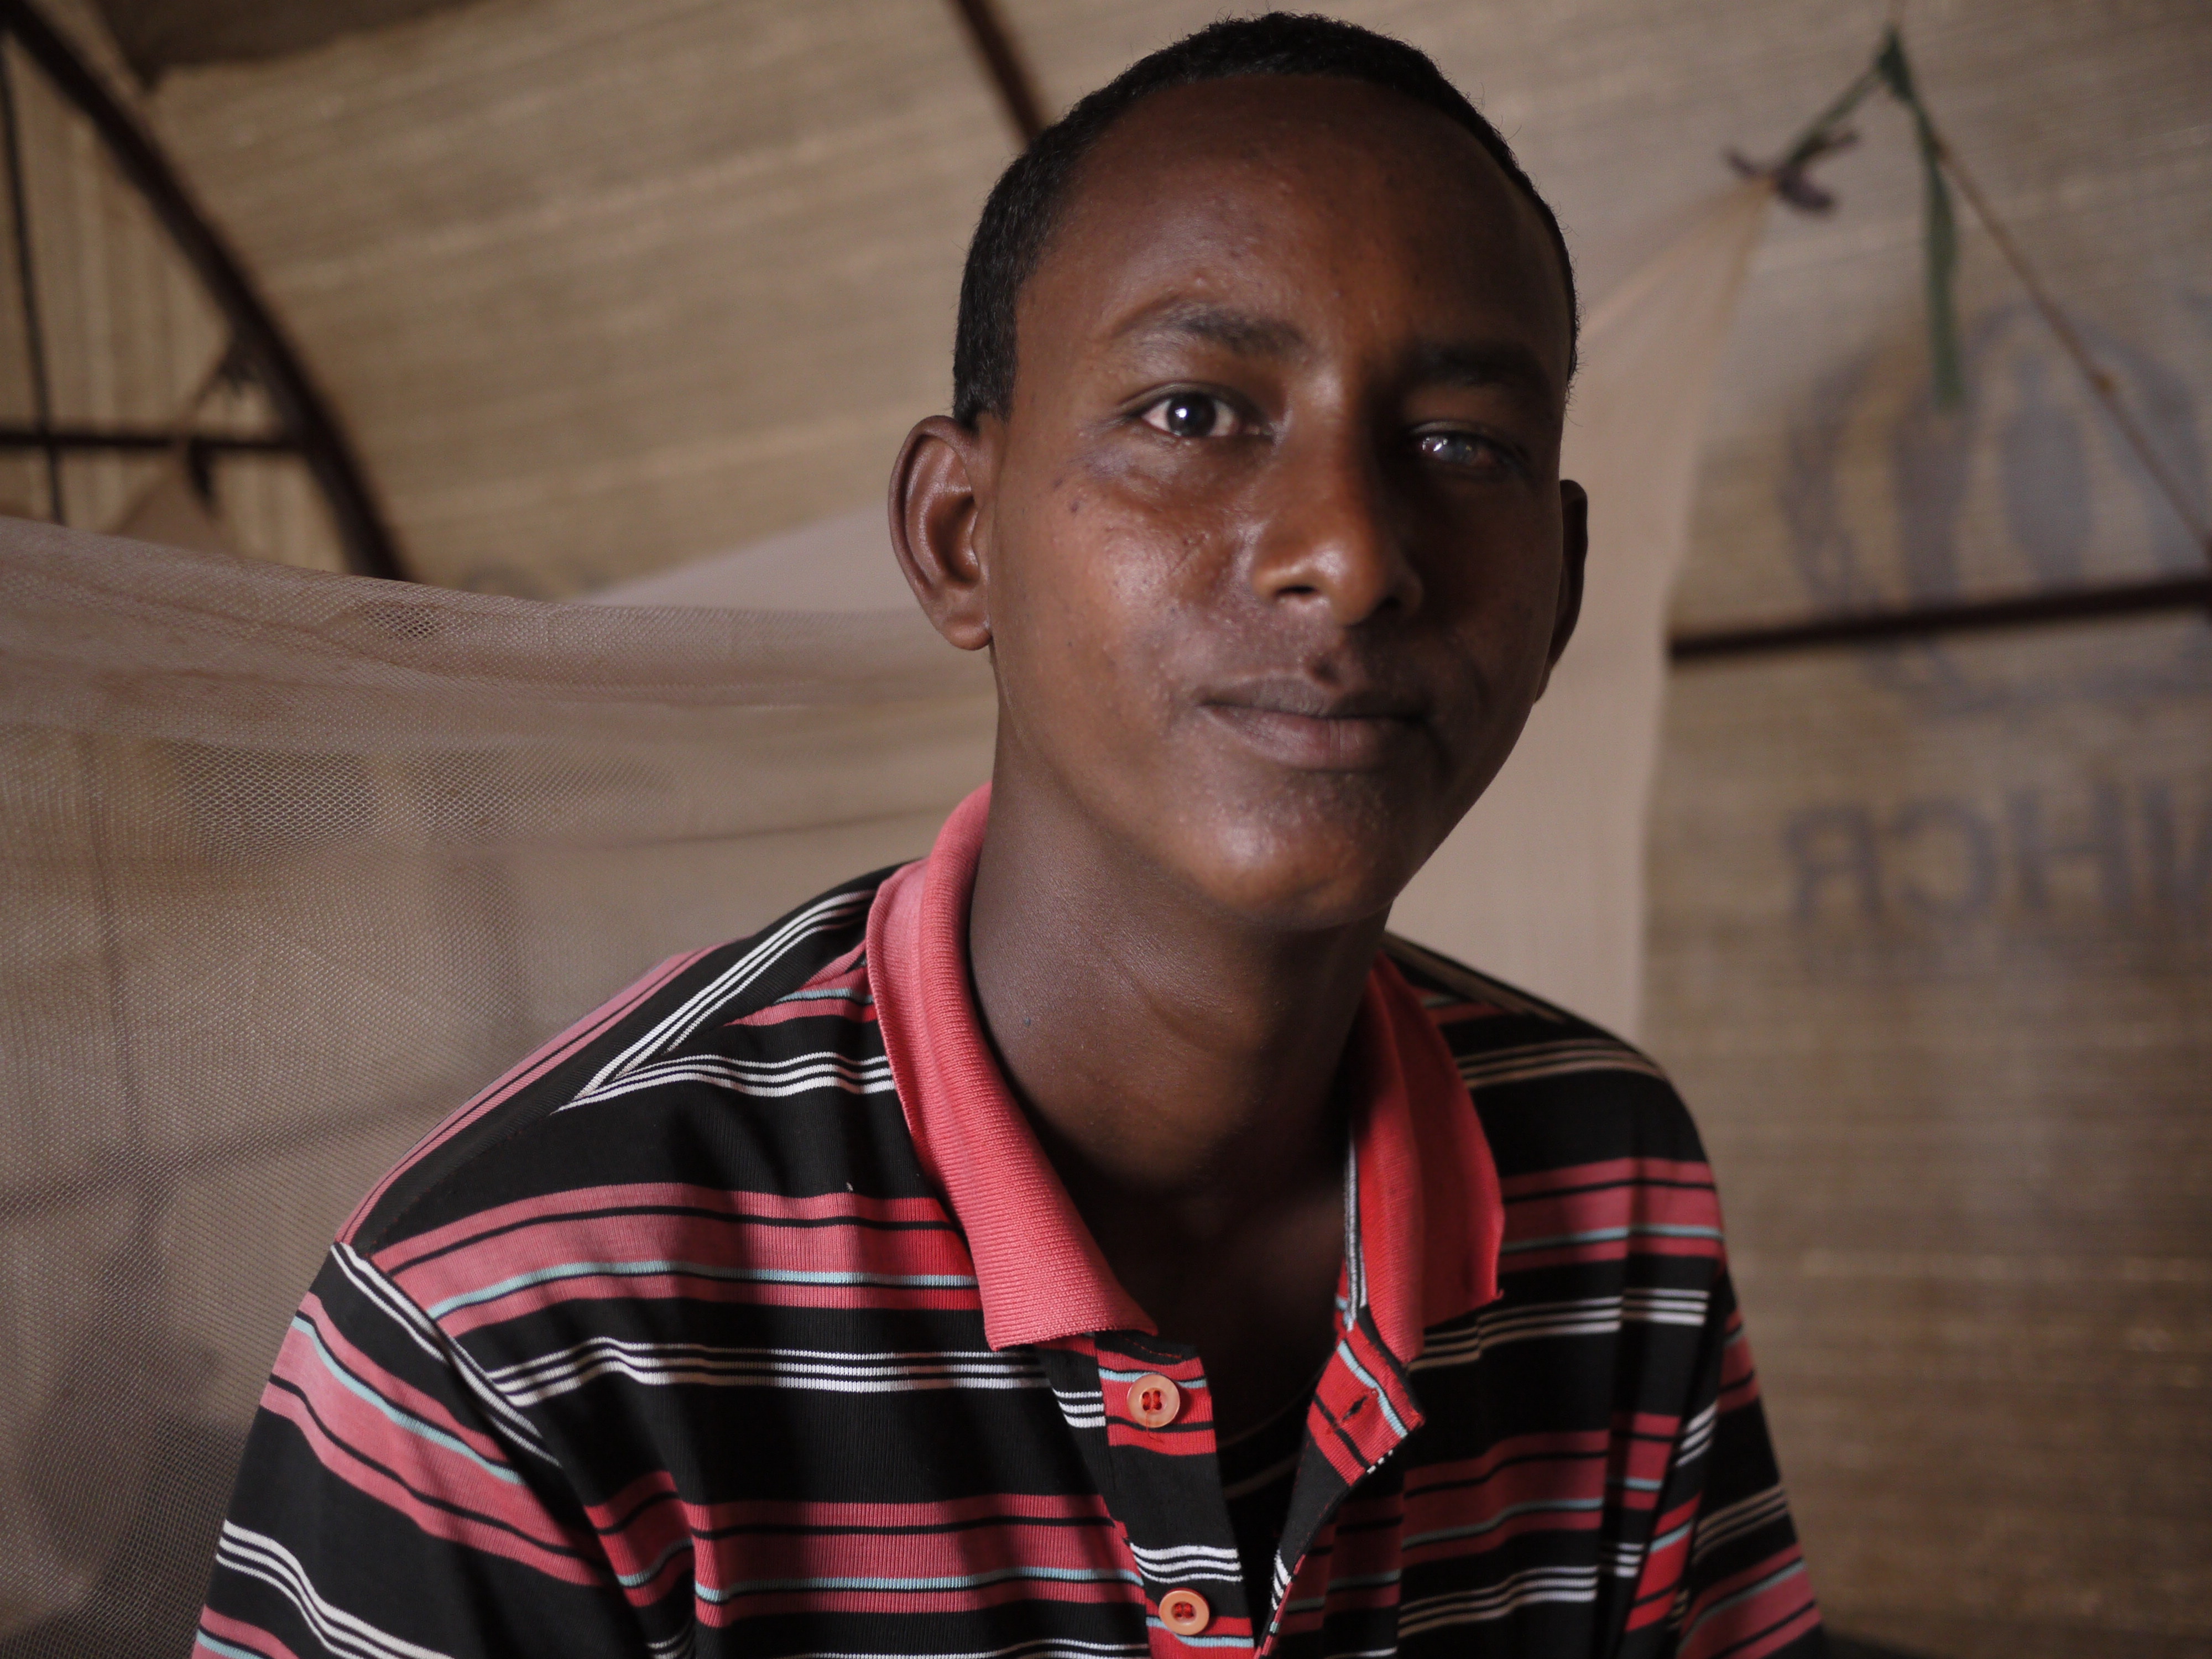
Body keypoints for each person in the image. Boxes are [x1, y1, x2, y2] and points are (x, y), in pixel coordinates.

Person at [197, 15, 1822, 1658]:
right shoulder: (520, 1319)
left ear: (1562, 595)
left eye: (1463, 446)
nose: (1347, 552)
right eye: (1193, 413)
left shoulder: (1610, 1182)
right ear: (960, 538)